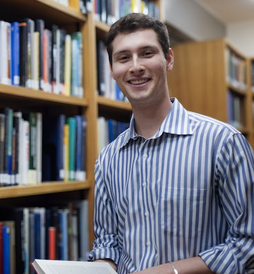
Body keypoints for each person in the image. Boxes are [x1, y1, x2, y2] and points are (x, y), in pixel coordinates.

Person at [88, 13, 254, 274]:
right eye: (123, 57)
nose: (135, 66)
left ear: (168, 60)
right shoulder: (107, 160)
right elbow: (108, 244)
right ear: (112, 70)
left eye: (147, 53)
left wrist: (170, 271)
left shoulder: (223, 142)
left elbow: (248, 245)